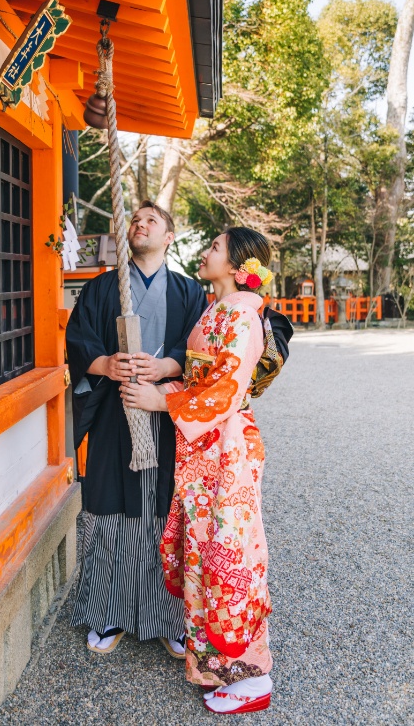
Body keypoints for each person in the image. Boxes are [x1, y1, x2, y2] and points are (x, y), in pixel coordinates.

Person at [121, 227, 289, 714]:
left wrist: (162, 401)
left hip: (228, 451)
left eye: (215, 247)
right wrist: (166, 385)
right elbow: (202, 378)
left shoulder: (242, 316)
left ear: (239, 267)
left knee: (231, 557)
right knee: (203, 553)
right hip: (205, 451)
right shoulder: (218, 310)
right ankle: (216, 666)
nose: (205, 251)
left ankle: (252, 674)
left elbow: (224, 391)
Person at [67, 201, 207, 655]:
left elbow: (205, 353)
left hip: (167, 416)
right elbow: (78, 337)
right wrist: (104, 363)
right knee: (109, 508)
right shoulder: (103, 288)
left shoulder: (189, 293)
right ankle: (108, 612)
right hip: (115, 413)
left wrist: (167, 366)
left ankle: (171, 618)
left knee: (169, 509)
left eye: (151, 220)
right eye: (135, 219)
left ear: (169, 237)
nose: (139, 225)